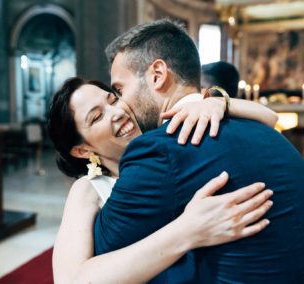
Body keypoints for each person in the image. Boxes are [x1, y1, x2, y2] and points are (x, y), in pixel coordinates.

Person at [95, 19, 304, 283]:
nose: (121, 107)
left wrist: (86, 188)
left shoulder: (161, 149)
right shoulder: (270, 135)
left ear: (157, 75)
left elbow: (101, 254)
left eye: (119, 90)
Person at [48, 77, 278, 283]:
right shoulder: (88, 188)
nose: (116, 112)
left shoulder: (163, 140)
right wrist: (188, 231)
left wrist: (217, 103)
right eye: (97, 116)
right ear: (82, 150)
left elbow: (270, 117)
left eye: (113, 99)